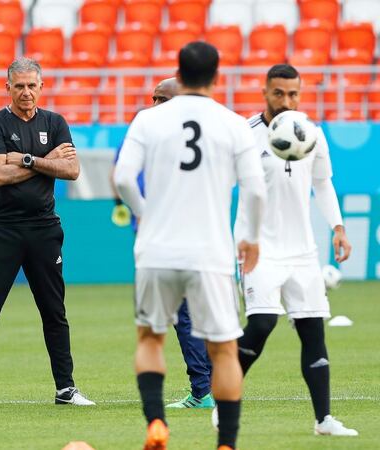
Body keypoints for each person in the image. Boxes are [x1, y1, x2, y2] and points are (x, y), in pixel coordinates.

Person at [115, 41, 266, 450]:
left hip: (157, 250)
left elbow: (124, 178)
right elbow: (254, 190)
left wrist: (146, 215)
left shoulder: (148, 121)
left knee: (150, 339)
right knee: (224, 351)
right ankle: (227, 443)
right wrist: (250, 237)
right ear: (217, 78)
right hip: (210, 253)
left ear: (178, 76)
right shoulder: (233, 124)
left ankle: (157, 424)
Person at [0, 57, 94, 409]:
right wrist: (47, 161)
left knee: (54, 311)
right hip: (3, 229)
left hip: (44, 229)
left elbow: (73, 169)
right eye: (19, 86)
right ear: (8, 88)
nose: (26, 92)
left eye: (32, 85)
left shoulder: (55, 122)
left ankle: (66, 388)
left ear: (41, 87)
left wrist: (28, 159)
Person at [233, 64, 358, 436]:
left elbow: (323, 184)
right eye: (278, 93)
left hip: (303, 251)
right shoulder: (245, 134)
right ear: (265, 92)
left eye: (293, 94)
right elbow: (223, 186)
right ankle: (225, 401)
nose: (286, 101)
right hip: (259, 248)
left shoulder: (312, 134)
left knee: (313, 331)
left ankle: (324, 420)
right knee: (261, 323)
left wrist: (338, 227)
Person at [110, 78, 214, 410]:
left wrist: (145, 215)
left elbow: (123, 178)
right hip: (179, 237)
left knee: (173, 318)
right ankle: (206, 387)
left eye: (162, 99)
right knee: (187, 314)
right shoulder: (152, 134)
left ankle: (203, 390)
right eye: (154, 98)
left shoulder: (147, 136)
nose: (155, 105)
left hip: (167, 241)